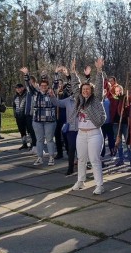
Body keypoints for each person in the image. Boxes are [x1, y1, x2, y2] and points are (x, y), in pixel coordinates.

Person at [68, 59, 107, 194]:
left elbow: (100, 86)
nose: (85, 91)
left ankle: (99, 185)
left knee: (95, 159)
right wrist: (73, 72)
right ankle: (80, 181)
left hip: (94, 133)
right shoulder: (79, 99)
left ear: (91, 90)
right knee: (81, 159)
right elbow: (74, 85)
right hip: (81, 134)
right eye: (83, 89)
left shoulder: (96, 99)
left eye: (87, 89)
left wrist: (99, 71)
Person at [21, 67, 59, 166]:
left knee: (50, 139)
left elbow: (56, 84)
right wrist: (26, 74)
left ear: (47, 86)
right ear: (39, 86)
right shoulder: (35, 93)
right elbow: (28, 86)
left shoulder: (51, 93)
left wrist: (55, 73)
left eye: (45, 85)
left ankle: (51, 157)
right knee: (39, 140)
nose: (43, 87)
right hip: (37, 121)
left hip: (49, 121)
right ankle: (39, 157)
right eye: (41, 85)